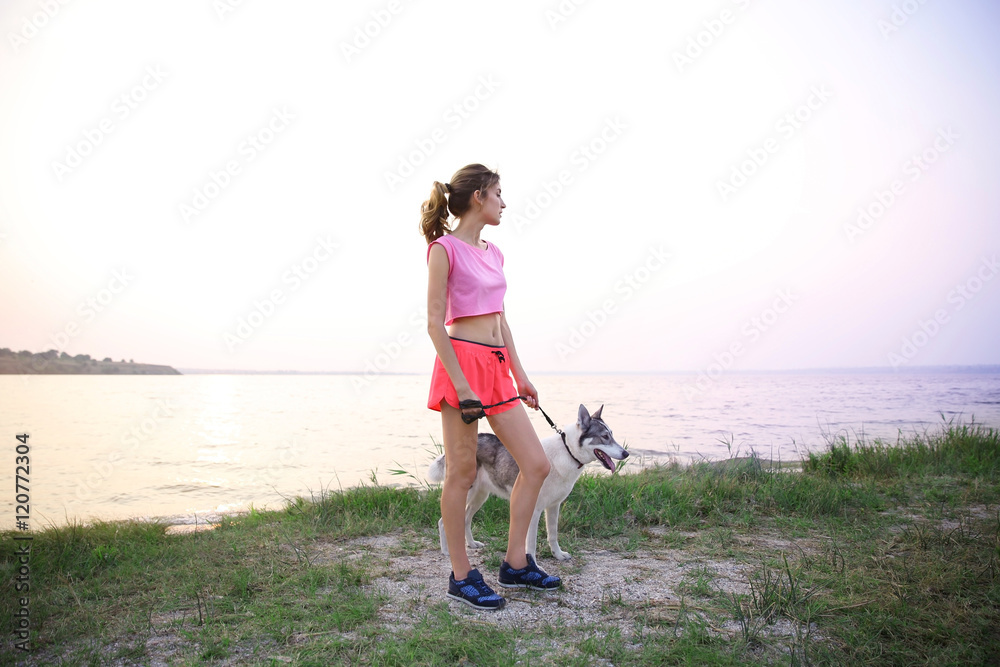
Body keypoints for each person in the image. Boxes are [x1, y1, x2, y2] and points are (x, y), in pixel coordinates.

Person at [421, 163, 561, 610]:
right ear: (478, 196)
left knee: (536, 464)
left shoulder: (494, 252)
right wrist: (462, 386)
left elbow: (501, 320)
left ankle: (516, 564)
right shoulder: (443, 249)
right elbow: (435, 324)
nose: (504, 202)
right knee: (462, 473)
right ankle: (461, 576)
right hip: (460, 365)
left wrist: (520, 375)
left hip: (497, 368)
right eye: (498, 193)